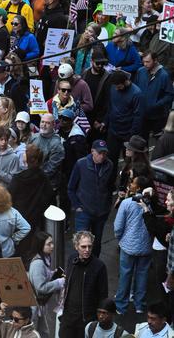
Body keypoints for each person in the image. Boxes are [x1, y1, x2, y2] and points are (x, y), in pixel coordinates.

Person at [114, 175, 153, 316]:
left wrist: (120, 239)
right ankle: (139, 305)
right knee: (142, 275)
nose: (130, 184)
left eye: (133, 183)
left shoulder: (126, 203)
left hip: (128, 246)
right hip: (146, 246)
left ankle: (121, 305)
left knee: (125, 275)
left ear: (138, 187)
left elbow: (118, 227)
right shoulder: (152, 204)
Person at [67, 140, 114, 257]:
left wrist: (107, 207)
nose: (102, 156)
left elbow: (110, 187)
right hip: (84, 212)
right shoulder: (81, 164)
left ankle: (94, 266)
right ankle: (79, 265)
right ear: (92, 151)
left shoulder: (109, 165)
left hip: (101, 213)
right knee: (81, 243)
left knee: (96, 244)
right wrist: (77, 206)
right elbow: (71, 188)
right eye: (99, 153)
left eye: (104, 153)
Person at [59, 231, 108, 338]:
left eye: (90, 246)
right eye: (83, 246)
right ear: (76, 246)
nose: (87, 250)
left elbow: (103, 295)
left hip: (86, 318)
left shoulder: (99, 266)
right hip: (68, 316)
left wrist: (99, 317)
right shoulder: (72, 259)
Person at [28, 232, 65, 338]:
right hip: (35, 306)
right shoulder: (38, 263)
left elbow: (41, 276)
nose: (52, 246)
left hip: (41, 305)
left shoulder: (45, 258)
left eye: (52, 243)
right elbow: (41, 287)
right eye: (49, 244)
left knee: (43, 332)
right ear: (40, 245)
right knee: (35, 332)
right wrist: (59, 282)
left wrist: (52, 274)